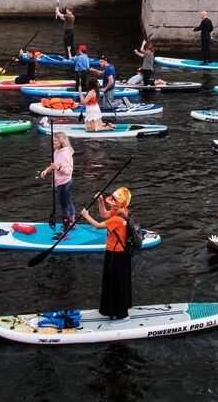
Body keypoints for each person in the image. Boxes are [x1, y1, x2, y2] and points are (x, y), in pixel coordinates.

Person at [79, 188, 134, 321]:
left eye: (114, 201)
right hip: (116, 254)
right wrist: (100, 202)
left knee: (117, 284)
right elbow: (104, 215)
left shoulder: (118, 219)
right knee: (112, 283)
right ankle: (113, 310)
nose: (111, 203)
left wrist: (86, 215)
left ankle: (123, 316)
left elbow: (98, 225)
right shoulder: (121, 211)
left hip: (117, 255)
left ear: (120, 204)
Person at [38, 132, 75, 235]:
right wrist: (47, 170)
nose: (53, 142)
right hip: (63, 182)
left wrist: (57, 168)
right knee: (68, 202)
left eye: (55, 141)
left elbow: (68, 170)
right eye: (53, 140)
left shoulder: (65, 154)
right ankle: (72, 223)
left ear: (61, 142)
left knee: (65, 207)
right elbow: (54, 164)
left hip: (64, 183)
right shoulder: (57, 151)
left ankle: (65, 232)